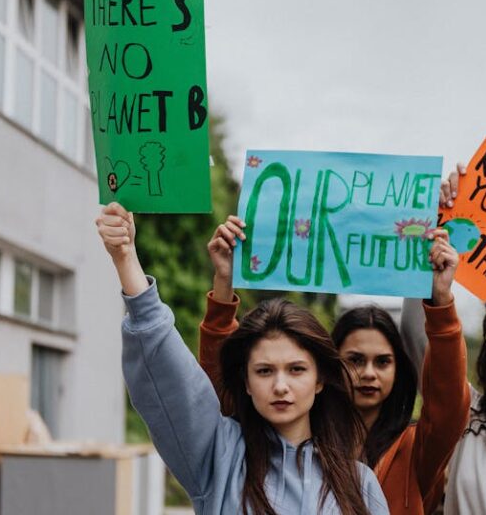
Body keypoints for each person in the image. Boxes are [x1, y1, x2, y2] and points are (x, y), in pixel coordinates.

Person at [96, 202, 389, 515]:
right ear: (246, 382)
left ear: (319, 381)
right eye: (264, 371)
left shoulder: (361, 484)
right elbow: (171, 372)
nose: (280, 386)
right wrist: (125, 258)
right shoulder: (218, 454)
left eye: (296, 370)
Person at [200, 218, 471, 515]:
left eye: (383, 362)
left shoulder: (415, 449)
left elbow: (449, 404)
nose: (368, 373)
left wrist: (442, 301)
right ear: (326, 372)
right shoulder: (289, 433)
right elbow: (222, 393)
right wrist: (223, 290)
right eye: (355, 360)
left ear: (400, 369)